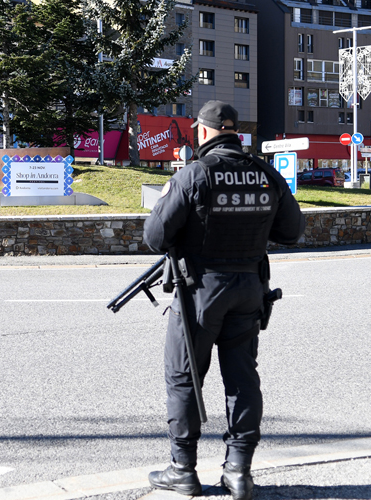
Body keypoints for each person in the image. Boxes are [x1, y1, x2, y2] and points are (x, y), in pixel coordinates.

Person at [143, 101, 305, 500]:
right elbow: (292, 231)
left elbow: (155, 237)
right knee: (242, 378)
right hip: (249, 288)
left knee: (185, 377)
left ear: (202, 131)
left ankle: (182, 470)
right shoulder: (266, 175)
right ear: (236, 132)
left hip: (199, 291)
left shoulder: (194, 174)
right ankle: (239, 472)